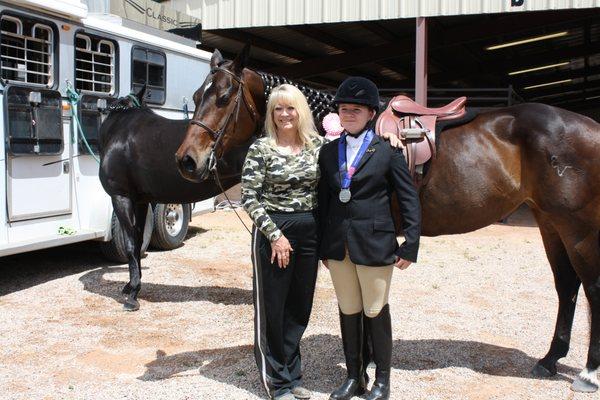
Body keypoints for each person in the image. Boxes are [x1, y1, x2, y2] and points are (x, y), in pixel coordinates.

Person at [318, 77, 421, 400]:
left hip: (375, 242)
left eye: (356, 110)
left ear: (370, 113)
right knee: (348, 308)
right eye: (344, 109)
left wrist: (412, 243)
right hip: (338, 245)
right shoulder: (328, 151)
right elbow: (323, 201)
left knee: (375, 309)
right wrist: (324, 244)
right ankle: (354, 377)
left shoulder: (387, 150)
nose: (349, 114)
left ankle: (383, 381)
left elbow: (408, 199)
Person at [241, 84, 323, 400]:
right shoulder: (261, 149)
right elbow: (249, 196)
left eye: (290, 108)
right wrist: (275, 235)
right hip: (274, 231)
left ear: (300, 111)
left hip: (309, 231)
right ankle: (276, 383)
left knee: (299, 307)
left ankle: (292, 375)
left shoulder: (318, 145)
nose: (284, 114)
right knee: (272, 307)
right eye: (278, 109)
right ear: (271, 114)